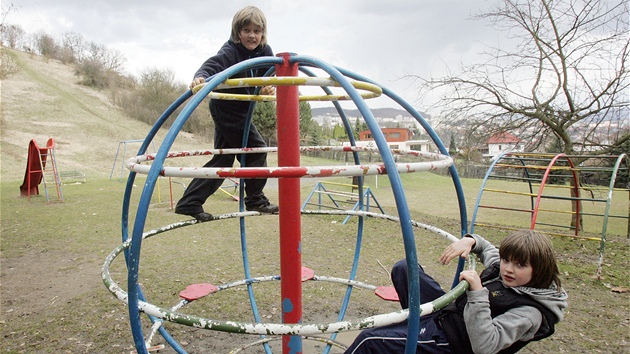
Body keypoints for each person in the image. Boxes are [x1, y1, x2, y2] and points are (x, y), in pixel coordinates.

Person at [344, 229, 568, 354]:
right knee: (405, 269)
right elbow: (488, 249)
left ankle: (414, 339)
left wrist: (478, 293)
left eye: (520, 265)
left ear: (538, 270)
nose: (508, 269)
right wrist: (470, 241)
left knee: (368, 340)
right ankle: (413, 330)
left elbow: (486, 345)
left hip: (452, 341)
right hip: (449, 314)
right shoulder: (509, 273)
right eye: (506, 260)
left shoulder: (530, 313)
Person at [175, 6, 278, 222]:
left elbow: (267, 76)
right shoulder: (231, 51)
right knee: (257, 150)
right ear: (237, 32)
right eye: (246, 30)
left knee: (223, 160)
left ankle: (190, 202)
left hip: (242, 109)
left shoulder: (265, 52)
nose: (252, 36)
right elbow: (212, 66)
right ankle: (255, 199)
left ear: (263, 33)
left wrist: (267, 88)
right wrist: (200, 77)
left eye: (257, 31)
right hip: (228, 108)